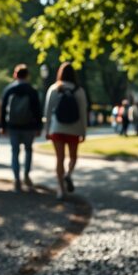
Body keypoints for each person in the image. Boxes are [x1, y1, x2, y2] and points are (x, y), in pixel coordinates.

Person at [44, 62, 88, 200]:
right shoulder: (79, 90)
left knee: (59, 159)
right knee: (73, 157)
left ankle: (61, 189)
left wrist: (47, 130)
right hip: (74, 128)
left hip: (57, 128)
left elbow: (48, 111)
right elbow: (83, 112)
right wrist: (83, 131)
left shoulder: (54, 88)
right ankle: (68, 175)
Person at [1, 64, 42, 192]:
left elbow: (3, 110)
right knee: (28, 150)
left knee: (15, 152)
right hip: (29, 126)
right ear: (27, 75)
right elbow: (37, 110)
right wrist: (38, 126)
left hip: (13, 126)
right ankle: (26, 175)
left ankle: (17, 179)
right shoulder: (32, 90)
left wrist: (3, 126)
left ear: (15, 74)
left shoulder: (9, 90)